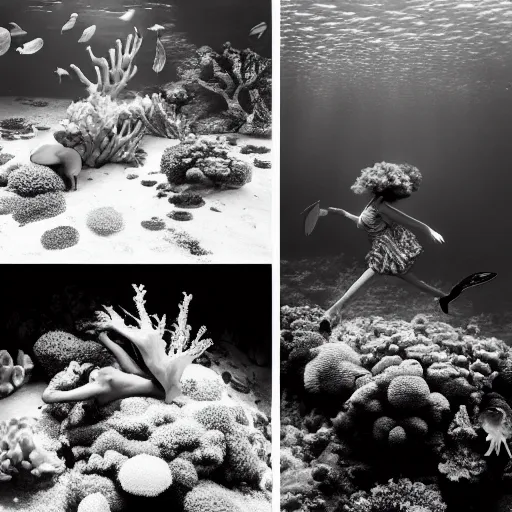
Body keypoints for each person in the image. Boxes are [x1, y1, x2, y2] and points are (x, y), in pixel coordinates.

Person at [317, 161, 448, 334]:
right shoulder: (374, 203)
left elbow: (409, 221)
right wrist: (342, 213)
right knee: (409, 278)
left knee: (366, 278)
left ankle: (332, 312)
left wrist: (428, 230)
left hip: (386, 250)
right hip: (385, 248)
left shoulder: (381, 206)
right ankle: (444, 296)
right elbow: (363, 222)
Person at [42, 332, 165, 405]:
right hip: (93, 373)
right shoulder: (139, 378)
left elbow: (49, 396)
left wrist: (68, 374)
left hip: (95, 375)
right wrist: (105, 339)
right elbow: (49, 396)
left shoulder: (107, 382)